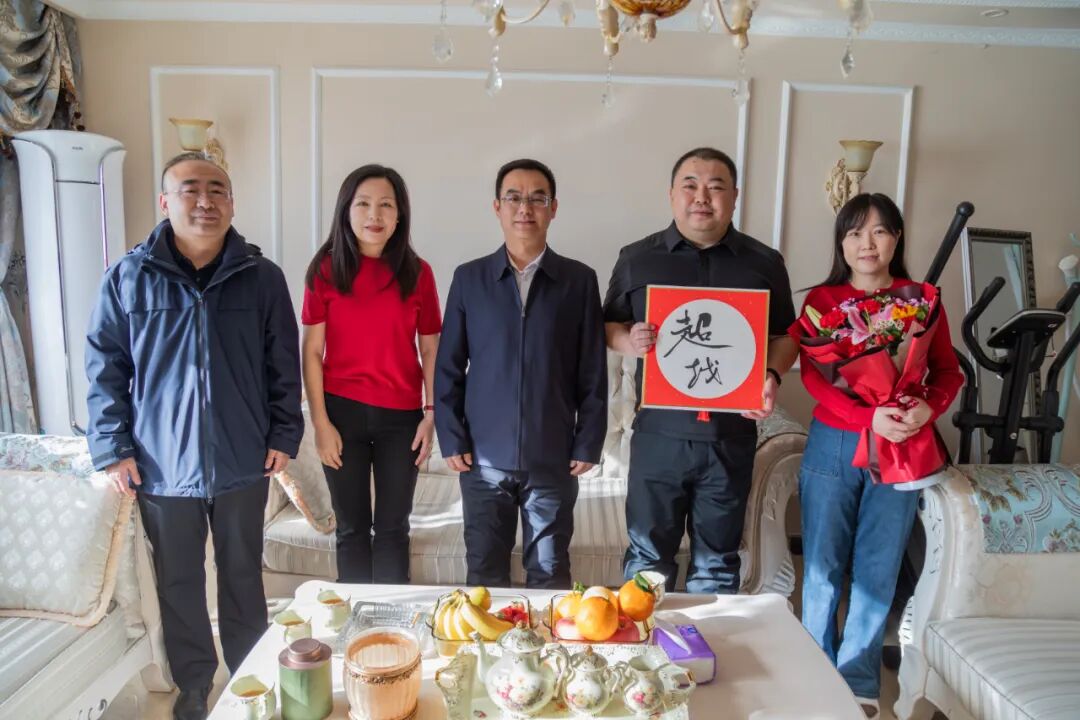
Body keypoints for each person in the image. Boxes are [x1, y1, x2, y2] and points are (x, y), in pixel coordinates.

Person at [85, 152, 303, 720]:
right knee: (179, 584)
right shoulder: (128, 277)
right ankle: (192, 685)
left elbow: (283, 366)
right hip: (161, 465)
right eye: (190, 189)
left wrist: (284, 433)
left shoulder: (263, 277)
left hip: (243, 459)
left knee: (243, 577)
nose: (205, 201)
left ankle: (251, 678)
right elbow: (105, 367)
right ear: (165, 201)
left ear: (232, 202)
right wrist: (112, 449)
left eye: (217, 190)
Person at [791, 193, 963, 717]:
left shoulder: (921, 301)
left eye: (880, 231)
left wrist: (927, 408)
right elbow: (816, 381)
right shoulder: (823, 301)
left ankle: (860, 682)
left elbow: (948, 372)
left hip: (901, 447)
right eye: (855, 233)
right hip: (836, 440)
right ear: (841, 243)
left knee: (878, 565)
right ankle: (813, 674)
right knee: (822, 564)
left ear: (897, 239)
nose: (867, 243)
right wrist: (867, 417)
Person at [603, 146, 798, 594]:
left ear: (735, 196)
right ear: (672, 193)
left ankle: (707, 641)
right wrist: (629, 341)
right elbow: (607, 325)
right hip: (659, 435)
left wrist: (770, 375)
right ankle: (646, 639)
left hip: (730, 438)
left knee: (718, 563)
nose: (701, 197)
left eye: (715, 187)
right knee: (647, 561)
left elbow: (788, 335)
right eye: (690, 185)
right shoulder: (637, 258)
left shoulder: (764, 262)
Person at [434, 158, 607, 589]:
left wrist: (588, 440)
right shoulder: (469, 278)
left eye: (537, 198)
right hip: (482, 461)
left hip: (552, 458)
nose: (525, 208)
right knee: (484, 576)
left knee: (550, 574)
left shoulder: (578, 281)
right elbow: (448, 366)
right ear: (497, 207)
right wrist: (451, 437)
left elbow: (592, 369)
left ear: (553, 208)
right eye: (513, 197)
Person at [301, 164, 441, 584]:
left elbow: (430, 348)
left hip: (402, 419)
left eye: (385, 205)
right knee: (351, 529)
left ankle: (395, 620)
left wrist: (431, 414)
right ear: (346, 211)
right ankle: (354, 617)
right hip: (340, 415)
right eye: (363, 204)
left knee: (394, 530)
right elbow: (311, 351)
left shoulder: (418, 273)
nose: (374, 215)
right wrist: (320, 423)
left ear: (400, 215)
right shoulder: (325, 270)